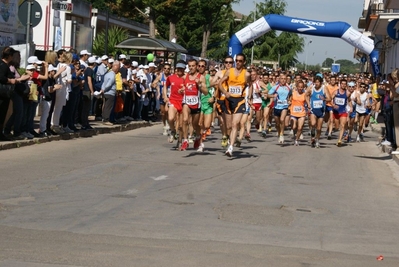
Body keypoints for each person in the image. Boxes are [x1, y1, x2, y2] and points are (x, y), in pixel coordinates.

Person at [218, 53, 251, 157]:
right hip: (228, 100)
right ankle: (230, 138)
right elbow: (220, 83)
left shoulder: (246, 74)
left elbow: (250, 86)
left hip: (240, 101)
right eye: (237, 60)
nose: (238, 62)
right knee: (228, 126)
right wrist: (225, 91)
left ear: (244, 62)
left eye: (240, 61)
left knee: (234, 124)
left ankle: (230, 148)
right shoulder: (229, 71)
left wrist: (250, 98)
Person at [180, 59, 207, 151]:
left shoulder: (201, 77)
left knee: (195, 125)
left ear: (196, 66)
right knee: (184, 120)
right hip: (186, 102)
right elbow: (183, 86)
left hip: (196, 103)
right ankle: (185, 140)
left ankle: (198, 137)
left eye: (193, 66)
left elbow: (206, 92)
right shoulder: (185, 76)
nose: (191, 67)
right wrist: (182, 90)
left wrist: (199, 85)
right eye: (189, 66)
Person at [306, 75, 331, 148]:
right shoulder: (311, 88)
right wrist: (308, 104)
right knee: (313, 123)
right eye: (315, 82)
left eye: (318, 82)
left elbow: (330, 98)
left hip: (321, 111)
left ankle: (317, 140)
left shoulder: (324, 89)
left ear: (321, 83)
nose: (316, 84)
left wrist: (324, 99)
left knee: (319, 128)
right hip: (313, 110)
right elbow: (306, 95)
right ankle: (312, 135)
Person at [165, 60, 186, 146]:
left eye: (182, 68)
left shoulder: (186, 77)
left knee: (181, 125)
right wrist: (165, 97)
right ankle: (173, 130)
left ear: (184, 69)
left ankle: (179, 141)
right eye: (178, 68)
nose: (180, 70)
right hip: (173, 100)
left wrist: (184, 89)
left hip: (183, 101)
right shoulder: (171, 77)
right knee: (170, 118)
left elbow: (190, 87)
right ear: (176, 69)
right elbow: (165, 86)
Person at [267, 73, 291, 144]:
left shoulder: (289, 87)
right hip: (277, 107)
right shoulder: (275, 87)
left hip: (284, 107)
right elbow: (268, 94)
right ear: (279, 79)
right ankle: (279, 132)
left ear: (286, 80)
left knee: (282, 119)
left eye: (284, 79)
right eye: (282, 79)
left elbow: (291, 95)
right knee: (277, 124)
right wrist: (273, 96)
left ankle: (281, 134)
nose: (283, 80)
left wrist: (290, 100)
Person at [331, 79, 352, 147]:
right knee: (337, 127)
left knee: (342, 125)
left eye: (345, 84)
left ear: (346, 85)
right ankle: (339, 134)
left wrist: (351, 107)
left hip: (343, 111)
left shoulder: (347, 93)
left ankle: (339, 140)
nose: (343, 85)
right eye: (342, 84)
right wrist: (333, 105)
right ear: (340, 84)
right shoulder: (336, 92)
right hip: (336, 112)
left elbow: (349, 101)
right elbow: (330, 99)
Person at [100, 60, 120, 125]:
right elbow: (109, 84)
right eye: (118, 67)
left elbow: (104, 83)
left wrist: (103, 89)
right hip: (110, 92)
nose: (118, 69)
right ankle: (106, 119)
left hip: (106, 92)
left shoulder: (107, 74)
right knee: (108, 107)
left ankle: (104, 118)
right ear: (116, 67)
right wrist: (104, 89)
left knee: (106, 106)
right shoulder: (112, 75)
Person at [290, 80, 307, 146]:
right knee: (294, 127)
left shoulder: (304, 94)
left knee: (300, 128)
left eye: (302, 87)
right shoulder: (293, 93)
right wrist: (288, 103)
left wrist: (309, 106)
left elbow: (308, 102)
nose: (300, 88)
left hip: (301, 114)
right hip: (293, 113)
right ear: (297, 87)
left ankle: (296, 140)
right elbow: (289, 100)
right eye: (299, 87)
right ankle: (295, 134)